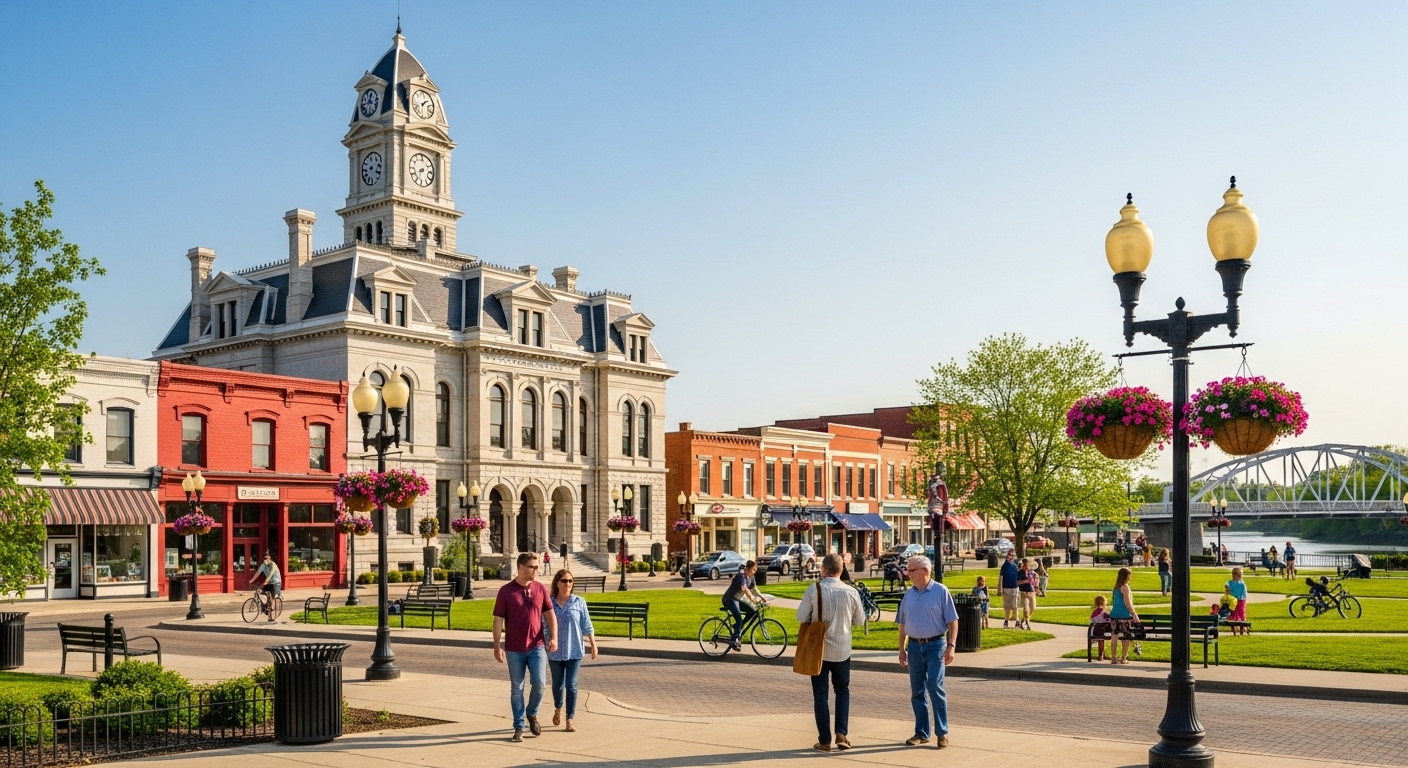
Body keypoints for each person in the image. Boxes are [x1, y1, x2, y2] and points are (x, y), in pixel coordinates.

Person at [796, 554, 866, 753]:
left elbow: (801, 616)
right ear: (841, 569)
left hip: (817, 649)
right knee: (842, 690)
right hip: (842, 648)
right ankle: (842, 733)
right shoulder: (851, 591)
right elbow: (860, 620)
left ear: (824, 569)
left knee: (820, 694)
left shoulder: (814, 589)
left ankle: (824, 740)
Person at [493, 552, 559, 742]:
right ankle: (518, 727)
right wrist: (497, 646)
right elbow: (498, 621)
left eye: (537, 567)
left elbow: (550, 615)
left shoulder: (540, 589)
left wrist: (554, 637)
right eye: (532, 567)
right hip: (514, 649)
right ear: (521, 568)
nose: (536, 570)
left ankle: (532, 713)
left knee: (539, 685)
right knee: (517, 688)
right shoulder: (506, 591)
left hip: (537, 646)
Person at [895, 556, 959, 748]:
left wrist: (951, 645)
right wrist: (901, 649)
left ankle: (942, 732)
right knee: (917, 691)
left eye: (911, 570)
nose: (908, 574)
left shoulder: (940, 591)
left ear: (924, 571)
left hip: (936, 646)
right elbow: (902, 624)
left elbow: (953, 621)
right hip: (914, 647)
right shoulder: (909, 594)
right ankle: (921, 732)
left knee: (934, 687)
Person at [547, 569, 596, 733]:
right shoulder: (549, 603)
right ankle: (558, 707)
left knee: (572, 685)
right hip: (555, 650)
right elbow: (544, 625)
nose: (567, 584)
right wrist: (548, 640)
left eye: (570, 581)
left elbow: (586, 625)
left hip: (574, 649)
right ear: (557, 583)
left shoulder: (579, 602)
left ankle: (570, 719)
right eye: (564, 581)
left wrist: (593, 644)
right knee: (557, 685)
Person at [722, 560, 766, 651]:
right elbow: (744, 588)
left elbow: (754, 589)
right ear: (748, 569)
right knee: (739, 619)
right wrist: (752, 599)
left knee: (752, 612)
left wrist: (762, 597)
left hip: (737, 600)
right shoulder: (741, 575)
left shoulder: (751, 577)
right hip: (729, 599)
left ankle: (737, 627)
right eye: (754, 570)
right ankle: (734, 641)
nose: (755, 572)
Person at [1108, 567, 1140, 664]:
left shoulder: (1116, 588)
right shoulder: (1125, 587)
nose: (1130, 577)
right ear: (1126, 576)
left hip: (1114, 615)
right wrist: (1134, 614)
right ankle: (1123, 658)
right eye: (1130, 575)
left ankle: (1113, 658)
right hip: (1124, 615)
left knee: (1114, 637)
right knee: (1126, 637)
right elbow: (1127, 602)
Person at [250, 553, 281, 622]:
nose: (265, 560)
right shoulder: (263, 565)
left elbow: (270, 574)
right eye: (264, 558)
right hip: (269, 582)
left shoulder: (273, 565)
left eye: (267, 558)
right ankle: (265, 606)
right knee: (262, 593)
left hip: (276, 582)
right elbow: (257, 573)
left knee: (273, 597)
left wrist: (265, 582)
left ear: (270, 559)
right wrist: (251, 580)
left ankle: (272, 614)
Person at [999, 550, 1020, 629]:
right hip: (1007, 588)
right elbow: (1001, 577)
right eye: (1009, 555)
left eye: (1012, 555)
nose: (1010, 557)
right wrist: (1000, 589)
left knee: (1015, 606)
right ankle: (1006, 621)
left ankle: (1017, 621)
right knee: (1007, 606)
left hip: (1015, 587)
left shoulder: (1016, 565)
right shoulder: (1005, 566)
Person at [1225, 566, 1248, 635]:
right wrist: (1227, 589)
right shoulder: (1230, 582)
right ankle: (1235, 627)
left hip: (1240, 600)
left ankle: (1243, 626)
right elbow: (1227, 585)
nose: (1235, 577)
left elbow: (1244, 594)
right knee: (1234, 613)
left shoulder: (1242, 584)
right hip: (1233, 600)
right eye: (1234, 575)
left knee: (1241, 613)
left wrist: (1243, 599)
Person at [1016, 557, 1037, 630]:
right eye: (1025, 564)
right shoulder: (1020, 572)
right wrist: (1025, 581)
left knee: (1032, 608)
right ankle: (1027, 624)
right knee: (1026, 609)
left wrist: (1036, 586)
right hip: (1024, 592)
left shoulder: (1031, 572)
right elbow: (1017, 582)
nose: (1026, 565)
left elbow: (1034, 580)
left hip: (1031, 592)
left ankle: (1023, 620)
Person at [1089, 595, 1111, 661]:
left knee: (1100, 640)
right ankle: (1101, 655)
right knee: (1101, 640)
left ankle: (1101, 655)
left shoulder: (1094, 612)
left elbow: (1092, 620)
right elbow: (1108, 619)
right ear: (1104, 603)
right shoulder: (1103, 613)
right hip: (1102, 630)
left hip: (1095, 630)